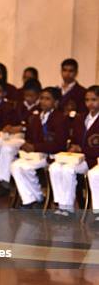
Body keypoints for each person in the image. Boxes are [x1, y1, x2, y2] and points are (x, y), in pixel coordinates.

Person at [10, 87, 68, 209]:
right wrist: (27, 145)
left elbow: (60, 144)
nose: (43, 101)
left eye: (47, 99)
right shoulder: (35, 117)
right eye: (41, 98)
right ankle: (32, 199)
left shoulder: (60, 118)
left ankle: (35, 199)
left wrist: (35, 146)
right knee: (15, 165)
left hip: (51, 155)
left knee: (26, 167)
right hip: (36, 154)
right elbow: (30, 137)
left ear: (56, 102)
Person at [49, 86, 99, 220]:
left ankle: (68, 208)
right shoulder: (80, 118)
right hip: (77, 158)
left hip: (92, 160)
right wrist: (72, 147)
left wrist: (82, 150)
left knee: (68, 170)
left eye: (94, 99)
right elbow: (75, 140)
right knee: (54, 167)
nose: (90, 103)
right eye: (87, 100)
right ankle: (61, 204)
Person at [0, 78, 43, 196]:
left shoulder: (40, 108)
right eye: (26, 95)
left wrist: (22, 128)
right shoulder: (17, 105)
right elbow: (9, 120)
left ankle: (3, 181)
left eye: (32, 96)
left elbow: (36, 127)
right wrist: (8, 126)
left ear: (38, 95)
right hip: (11, 134)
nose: (28, 98)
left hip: (26, 137)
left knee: (8, 148)